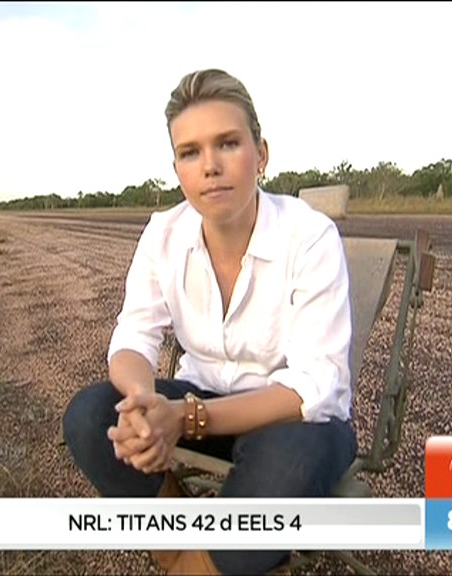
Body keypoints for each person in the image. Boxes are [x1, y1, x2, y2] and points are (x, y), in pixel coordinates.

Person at [62, 68, 358, 576]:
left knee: (286, 465)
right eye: (190, 152)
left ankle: (192, 564)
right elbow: (134, 336)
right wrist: (144, 404)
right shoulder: (163, 234)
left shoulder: (309, 237)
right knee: (91, 416)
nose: (210, 167)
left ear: (261, 154)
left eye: (228, 143)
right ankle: (187, 543)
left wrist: (183, 418)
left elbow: (312, 388)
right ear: (176, 167)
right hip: (199, 402)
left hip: (290, 423)